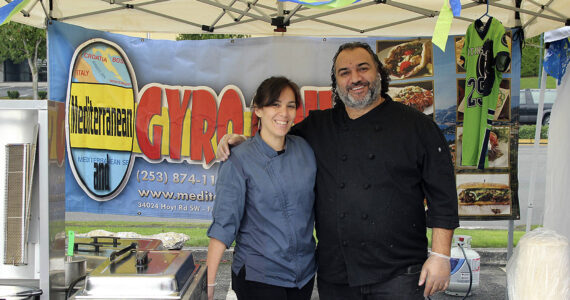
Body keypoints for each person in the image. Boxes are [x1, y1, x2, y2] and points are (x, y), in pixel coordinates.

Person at [218, 42, 459, 299]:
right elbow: (275, 141)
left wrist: (441, 256)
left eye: (362, 68)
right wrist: (246, 143)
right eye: (344, 72)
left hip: (399, 274)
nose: (355, 78)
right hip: (337, 275)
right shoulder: (318, 126)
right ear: (336, 82)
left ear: (379, 73)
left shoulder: (416, 126)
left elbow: (442, 195)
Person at [206, 76, 317, 300]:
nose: (283, 113)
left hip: (303, 276)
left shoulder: (305, 149)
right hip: (259, 278)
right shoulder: (238, 159)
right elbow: (223, 226)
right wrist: (208, 286)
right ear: (257, 110)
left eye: (290, 106)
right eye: (275, 105)